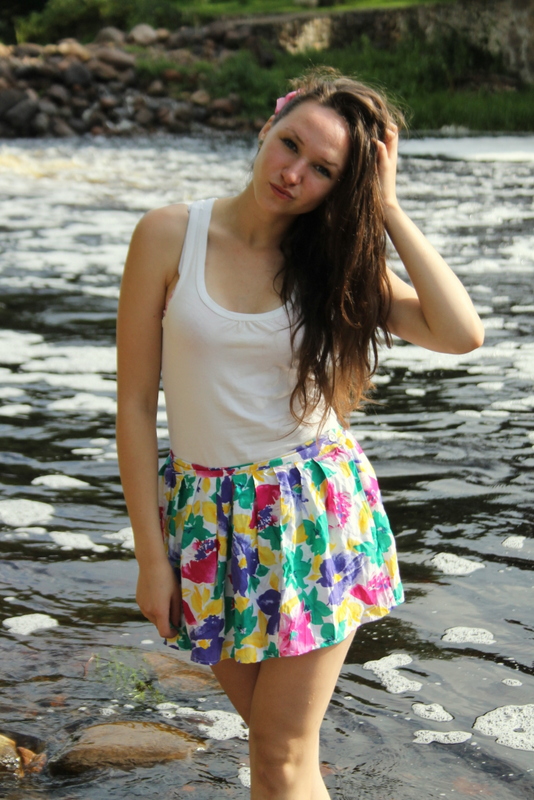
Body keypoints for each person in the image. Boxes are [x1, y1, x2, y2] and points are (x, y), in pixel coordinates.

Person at [116, 68, 484, 799]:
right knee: (279, 752)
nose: (293, 174)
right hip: (205, 522)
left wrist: (387, 208)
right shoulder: (168, 235)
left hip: (308, 515)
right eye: (290, 145)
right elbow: (132, 406)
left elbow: (460, 332)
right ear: (267, 128)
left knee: (280, 754)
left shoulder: (333, 265)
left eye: (323, 170)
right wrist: (151, 559)